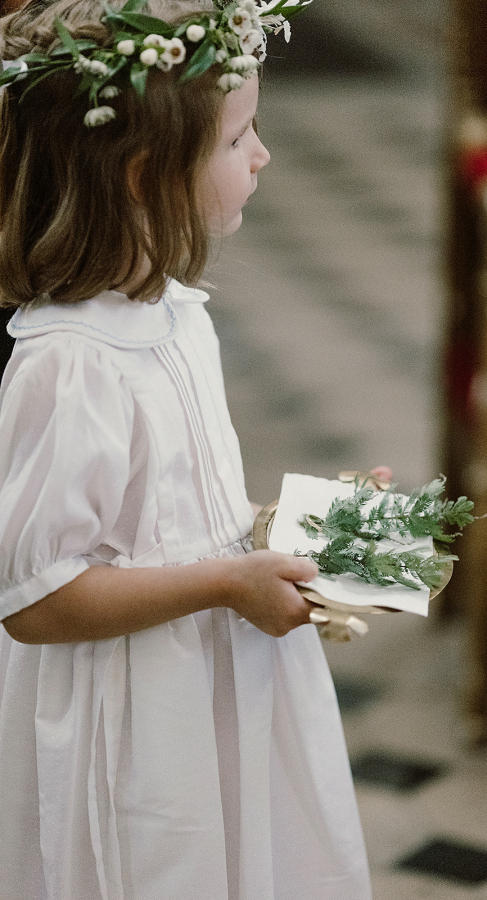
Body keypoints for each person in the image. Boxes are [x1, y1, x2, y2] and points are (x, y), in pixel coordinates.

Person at [0, 2, 376, 898]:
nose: (262, 154)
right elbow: (36, 598)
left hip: (208, 677)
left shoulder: (172, 310)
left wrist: (284, 528)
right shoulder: (68, 362)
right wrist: (226, 584)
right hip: (129, 713)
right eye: (239, 137)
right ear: (145, 173)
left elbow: (170, 518)